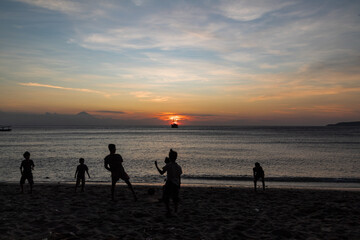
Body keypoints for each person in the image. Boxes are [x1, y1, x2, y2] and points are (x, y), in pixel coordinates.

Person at [155, 149, 182, 216]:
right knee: (175, 199)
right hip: (176, 184)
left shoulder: (168, 165)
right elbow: (179, 177)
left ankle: (168, 211)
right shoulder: (178, 167)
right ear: (176, 157)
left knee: (166, 199)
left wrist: (156, 166)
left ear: (169, 157)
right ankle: (175, 212)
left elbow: (161, 172)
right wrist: (179, 184)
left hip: (170, 183)